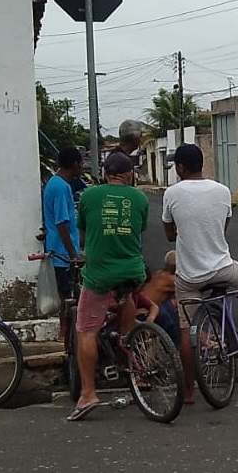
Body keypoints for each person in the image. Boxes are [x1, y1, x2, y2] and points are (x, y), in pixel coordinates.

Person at [163, 143, 238, 405]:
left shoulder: (171, 193)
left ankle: (189, 392)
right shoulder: (222, 190)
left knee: (187, 330)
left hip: (190, 276)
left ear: (181, 167)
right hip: (221, 268)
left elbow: (170, 234)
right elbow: (223, 226)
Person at [69, 151, 149, 421]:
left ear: (105, 173)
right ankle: (130, 352)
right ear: (129, 175)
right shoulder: (139, 197)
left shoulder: (89, 196)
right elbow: (139, 230)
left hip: (100, 274)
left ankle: (88, 393)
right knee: (127, 297)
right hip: (133, 271)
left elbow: (83, 232)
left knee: (86, 330)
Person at [42, 146, 85, 350]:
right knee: (67, 297)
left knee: (66, 296)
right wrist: (73, 254)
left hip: (58, 248)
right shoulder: (61, 187)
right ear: (75, 164)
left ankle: (66, 336)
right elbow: (61, 223)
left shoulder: (54, 183)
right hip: (62, 254)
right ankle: (65, 337)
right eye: (81, 163)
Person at [141, 250, 179, 347]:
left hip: (148, 307)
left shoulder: (159, 274)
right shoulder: (171, 280)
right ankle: (177, 345)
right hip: (146, 313)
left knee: (175, 302)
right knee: (185, 303)